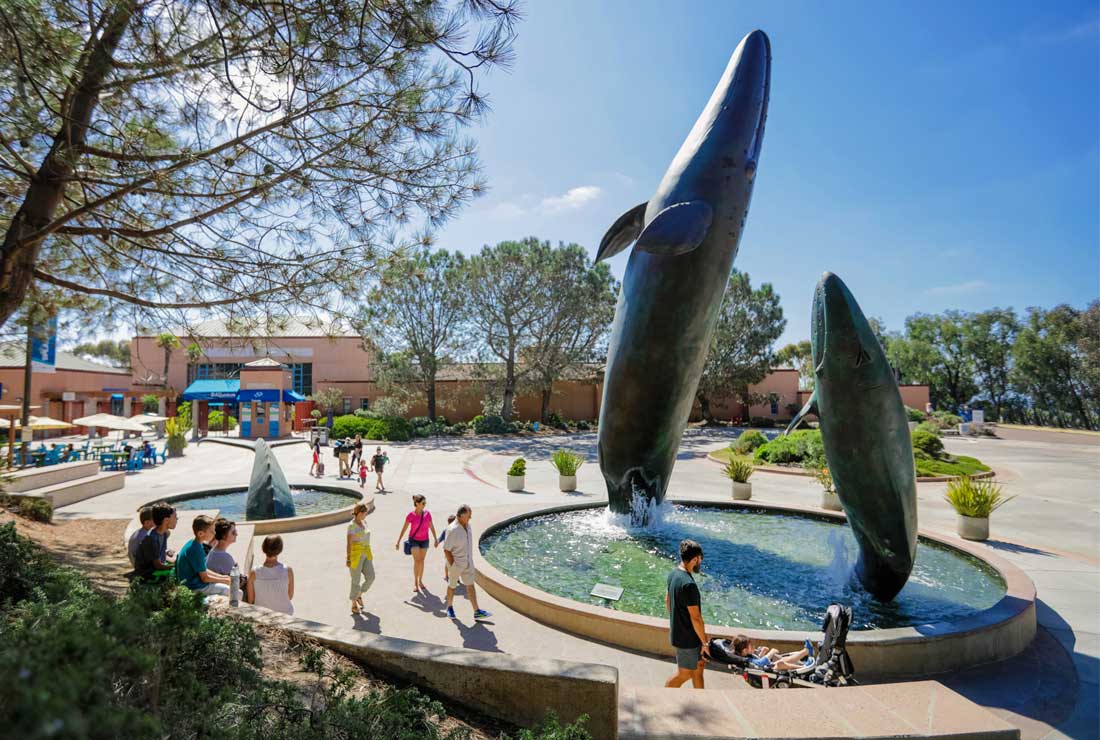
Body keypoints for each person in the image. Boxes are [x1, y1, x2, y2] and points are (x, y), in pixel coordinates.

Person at [665, 539, 711, 689]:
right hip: (688, 640)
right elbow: (696, 618)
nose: (700, 562)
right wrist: (705, 643)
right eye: (700, 559)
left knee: (698, 669)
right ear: (695, 559)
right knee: (684, 674)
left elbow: (667, 601)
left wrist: (676, 622)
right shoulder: (689, 585)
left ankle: (702, 700)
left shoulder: (673, 574)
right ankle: (662, 696)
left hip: (683, 634)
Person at [443, 504, 490, 621]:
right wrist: (453, 565)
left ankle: (477, 611)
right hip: (456, 564)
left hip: (468, 562)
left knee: (470, 585)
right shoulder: (452, 529)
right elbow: (446, 549)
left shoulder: (467, 526)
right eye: (469, 516)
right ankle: (449, 607)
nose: (470, 518)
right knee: (452, 586)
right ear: (462, 515)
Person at [174, 514, 232, 596]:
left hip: (196, 583)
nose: (214, 533)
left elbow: (203, 569)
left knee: (229, 584)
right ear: (201, 533)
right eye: (212, 531)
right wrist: (224, 580)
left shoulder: (195, 544)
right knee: (230, 590)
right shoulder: (195, 550)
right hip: (194, 588)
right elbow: (205, 578)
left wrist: (223, 577)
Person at [395, 494, 438, 593]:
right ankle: (415, 582)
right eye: (423, 503)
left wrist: (435, 539)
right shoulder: (411, 515)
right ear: (417, 504)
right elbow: (404, 528)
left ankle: (420, 581)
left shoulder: (427, 514)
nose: (424, 505)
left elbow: (431, 526)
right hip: (414, 540)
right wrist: (398, 541)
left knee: (422, 561)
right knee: (417, 561)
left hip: (425, 540)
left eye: (425, 503)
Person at [248, 535, 294, 615]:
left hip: (262, 615)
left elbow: (251, 600)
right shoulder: (288, 571)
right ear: (280, 549)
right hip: (285, 615)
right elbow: (289, 596)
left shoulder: (254, 573)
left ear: (263, 548)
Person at [134, 502, 178, 581]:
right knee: (180, 571)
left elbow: (161, 556)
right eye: (175, 517)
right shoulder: (151, 538)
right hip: (147, 574)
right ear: (166, 520)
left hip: (156, 568)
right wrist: (176, 565)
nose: (177, 519)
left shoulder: (164, 533)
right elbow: (158, 566)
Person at [346, 503, 375, 614]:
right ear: (360, 513)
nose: (366, 515)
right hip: (355, 556)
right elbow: (348, 543)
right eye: (365, 513)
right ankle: (353, 605)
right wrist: (348, 558)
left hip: (366, 553)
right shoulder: (351, 526)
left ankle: (359, 595)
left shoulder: (364, 522)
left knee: (371, 577)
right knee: (355, 581)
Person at [732, 635, 814, 672]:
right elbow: (760, 663)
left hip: (767, 666)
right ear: (745, 650)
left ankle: (806, 651)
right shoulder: (745, 659)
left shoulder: (746, 655)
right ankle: (803, 667)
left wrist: (762, 653)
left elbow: (756, 661)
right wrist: (771, 652)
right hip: (767, 669)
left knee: (784, 659)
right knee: (780, 663)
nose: (754, 647)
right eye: (751, 647)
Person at [439, 514, 456, 582]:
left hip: (449, 550)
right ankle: (449, 576)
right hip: (452, 550)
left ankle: (447, 576)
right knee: (453, 563)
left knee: (448, 563)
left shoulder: (446, 530)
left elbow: (440, 539)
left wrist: (437, 542)